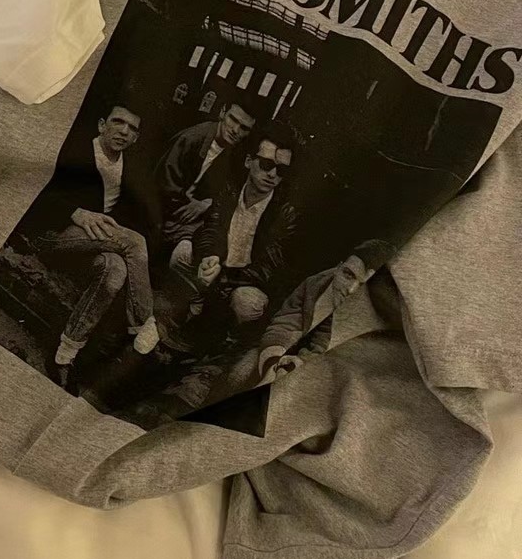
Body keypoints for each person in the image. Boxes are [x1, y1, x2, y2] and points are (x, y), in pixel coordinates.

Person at [27, 103, 160, 380]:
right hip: (51, 235)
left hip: (91, 245)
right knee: (135, 242)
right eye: (118, 122)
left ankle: (64, 356)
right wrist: (75, 212)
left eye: (132, 128)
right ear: (102, 125)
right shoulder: (75, 150)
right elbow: (33, 189)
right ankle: (143, 326)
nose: (124, 131)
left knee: (114, 270)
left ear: (136, 138)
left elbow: (135, 216)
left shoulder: (130, 169)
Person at [162, 124, 299, 351]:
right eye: (266, 165)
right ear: (249, 161)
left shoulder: (286, 212)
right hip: (220, 270)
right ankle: (192, 306)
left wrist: (223, 279)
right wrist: (210, 256)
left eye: (281, 170)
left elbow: (269, 267)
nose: (273, 175)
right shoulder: (229, 190)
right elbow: (211, 229)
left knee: (246, 302)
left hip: (247, 282)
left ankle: (229, 339)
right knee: (182, 253)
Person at [256, 239, 396, 382]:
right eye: (348, 274)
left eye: (364, 286)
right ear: (339, 267)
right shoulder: (315, 284)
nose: (351, 289)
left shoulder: (382, 315)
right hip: (288, 350)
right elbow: (286, 324)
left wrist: (301, 364)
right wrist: (272, 363)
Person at [151, 99, 257, 271]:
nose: (235, 130)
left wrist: (206, 204)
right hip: (162, 211)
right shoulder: (192, 138)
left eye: (244, 128)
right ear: (222, 112)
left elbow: (227, 195)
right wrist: (192, 206)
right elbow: (165, 186)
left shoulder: (235, 154)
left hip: (191, 218)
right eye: (233, 120)